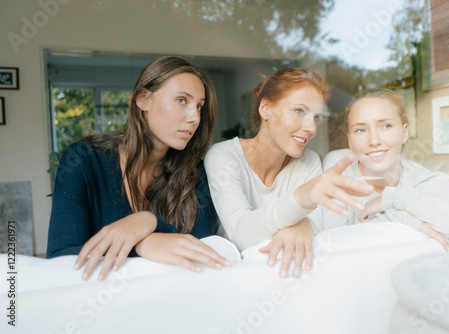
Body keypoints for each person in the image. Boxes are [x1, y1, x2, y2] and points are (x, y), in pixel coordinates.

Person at [47, 55, 231, 281]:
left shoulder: (195, 173)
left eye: (199, 107)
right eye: (182, 100)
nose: (194, 117)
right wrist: (144, 244)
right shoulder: (83, 160)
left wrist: (148, 222)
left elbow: (201, 257)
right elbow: (60, 261)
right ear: (143, 99)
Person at [204, 67, 373, 278]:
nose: (311, 128)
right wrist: (301, 202)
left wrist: (305, 225)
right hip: (236, 277)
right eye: (299, 111)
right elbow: (240, 232)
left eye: (317, 117)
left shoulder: (308, 161)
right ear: (265, 108)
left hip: (287, 277)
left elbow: (316, 226)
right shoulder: (224, 156)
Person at [323, 88, 449, 251]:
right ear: (350, 140)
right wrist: (408, 220)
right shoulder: (338, 167)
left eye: (385, 126)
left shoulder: (423, 180)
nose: (374, 140)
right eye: (361, 130)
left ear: (404, 133)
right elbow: (331, 247)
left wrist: (394, 198)